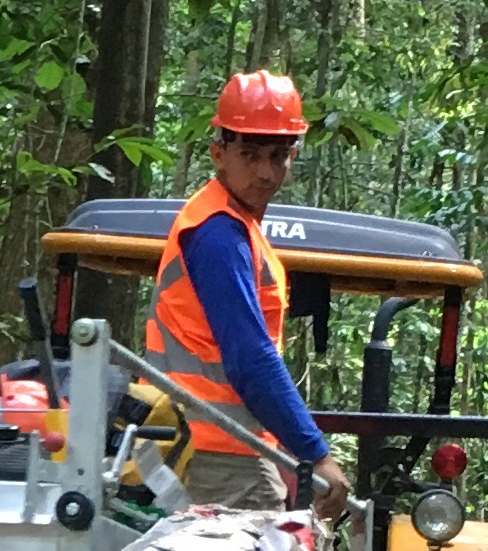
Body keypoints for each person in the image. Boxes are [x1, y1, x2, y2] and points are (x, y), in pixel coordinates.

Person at [148, 71, 353, 520]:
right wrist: (315, 454)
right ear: (218, 153)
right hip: (215, 454)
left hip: (209, 445)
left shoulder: (234, 226)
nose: (265, 171)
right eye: (250, 154)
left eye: (278, 156)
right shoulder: (218, 234)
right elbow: (250, 358)